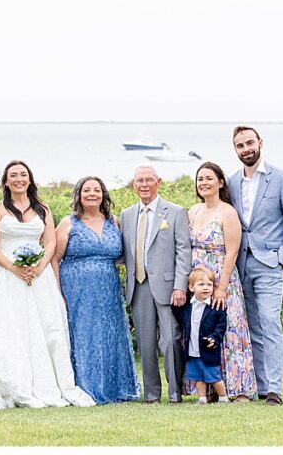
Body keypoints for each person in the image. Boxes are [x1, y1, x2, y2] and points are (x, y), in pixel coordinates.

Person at [0, 161, 95, 409]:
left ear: (30, 179)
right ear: (6, 181)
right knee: (9, 328)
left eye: (23, 174)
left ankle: (47, 384)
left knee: (45, 328)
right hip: (6, 275)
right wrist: (14, 268)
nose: (19, 179)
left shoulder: (42, 209)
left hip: (39, 277)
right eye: (13, 175)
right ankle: (12, 383)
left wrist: (39, 267)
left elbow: (50, 243)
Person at [228, 127, 283, 406]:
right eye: (240, 145)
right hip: (240, 265)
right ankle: (261, 386)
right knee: (252, 326)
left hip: (269, 263)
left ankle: (275, 389)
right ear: (235, 150)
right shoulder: (231, 183)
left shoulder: (282, 178)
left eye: (250, 143)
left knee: (270, 322)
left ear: (260, 143)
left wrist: (282, 258)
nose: (246, 149)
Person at [54, 176, 139, 404]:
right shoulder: (68, 223)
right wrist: (57, 292)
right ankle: (83, 387)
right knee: (83, 335)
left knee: (109, 335)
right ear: (79, 195)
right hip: (76, 290)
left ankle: (114, 388)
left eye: (97, 190)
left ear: (103, 195)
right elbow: (54, 259)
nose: (92, 194)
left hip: (108, 289)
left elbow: (123, 255)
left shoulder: (114, 221)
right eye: (87, 190)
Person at [119, 163, 190, 404]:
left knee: (170, 340)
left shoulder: (176, 212)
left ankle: (175, 392)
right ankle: (151, 394)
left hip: (168, 287)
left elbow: (183, 251)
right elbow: (123, 251)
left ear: (158, 182)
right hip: (138, 285)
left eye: (149, 180)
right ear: (134, 185)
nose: (144, 185)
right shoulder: (126, 215)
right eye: (139, 181)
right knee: (146, 343)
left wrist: (180, 285)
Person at [189, 161, 256, 402]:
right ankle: (208, 388)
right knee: (201, 330)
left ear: (220, 182)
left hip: (221, 279)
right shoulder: (193, 211)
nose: (204, 183)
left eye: (209, 178)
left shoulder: (227, 212)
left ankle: (238, 389)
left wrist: (221, 287)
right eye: (200, 179)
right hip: (199, 282)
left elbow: (232, 251)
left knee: (229, 333)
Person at [174, 266, 229, 405]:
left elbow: (221, 325)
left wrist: (215, 338)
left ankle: (223, 397)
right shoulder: (188, 306)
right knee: (198, 376)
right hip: (192, 350)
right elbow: (180, 318)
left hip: (208, 349)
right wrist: (175, 305)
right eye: (201, 284)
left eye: (209, 285)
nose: (206, 288)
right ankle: (202, 398)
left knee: (214, 376)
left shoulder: (215, 307)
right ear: (191, 287)